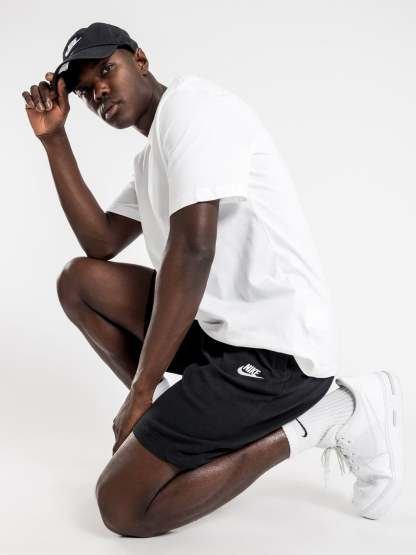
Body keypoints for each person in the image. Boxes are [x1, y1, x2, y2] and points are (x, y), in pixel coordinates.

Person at [22, 21, 403, 537]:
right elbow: (101, 243)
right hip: (221, 335)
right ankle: (179, 421)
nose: (100, 92)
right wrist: (54, 140)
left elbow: (194, 250)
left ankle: (325, 416)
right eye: (87, 91)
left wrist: (142, 389)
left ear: (140, 59)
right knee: (79, 282)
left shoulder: (191, 111)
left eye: (106, 70)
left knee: (122, 506)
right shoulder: (153, 156)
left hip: (280, 353)